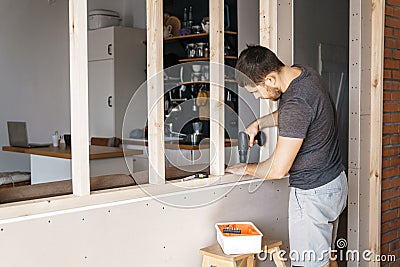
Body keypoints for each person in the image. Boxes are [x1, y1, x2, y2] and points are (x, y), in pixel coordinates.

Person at [226, 45, 348, 267]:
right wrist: (259, 123)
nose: (258, 97)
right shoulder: (304, 74)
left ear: (270, 79)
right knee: (325, 257)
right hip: (334, 183)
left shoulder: (295, 105)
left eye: (256, 91)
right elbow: (298, 114)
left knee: (310, 264)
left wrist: (244, 169)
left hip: (312, 194)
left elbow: (277, 170)